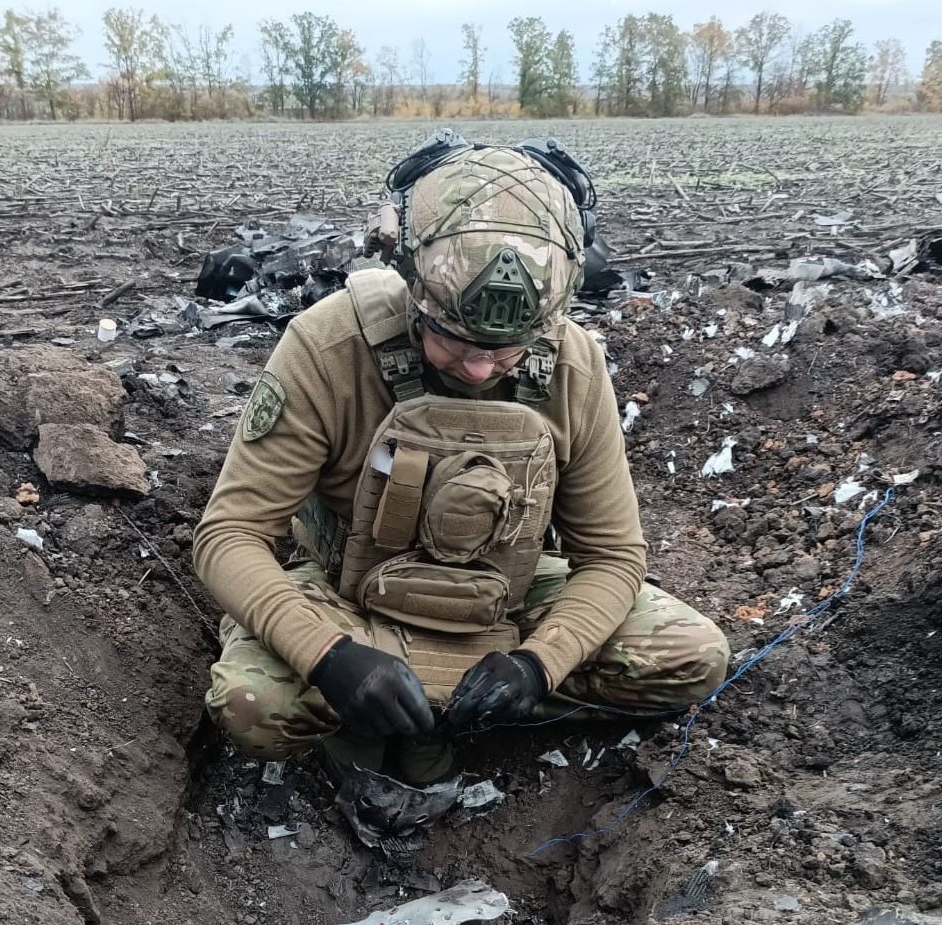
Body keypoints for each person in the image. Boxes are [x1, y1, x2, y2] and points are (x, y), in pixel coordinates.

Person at [193, 132, 729, 850]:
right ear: (412, 287)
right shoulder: (327, 346)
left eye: (505, 353)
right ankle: (375, 712)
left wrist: (540, 664)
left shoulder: (573, 363)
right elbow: (229, 537)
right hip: (347, 597)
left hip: (504, 602)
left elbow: (612, 556)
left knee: (691, 656)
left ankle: (468, 712)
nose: (479, 370)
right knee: (253, 707)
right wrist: (330, 657)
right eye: (452, 343)